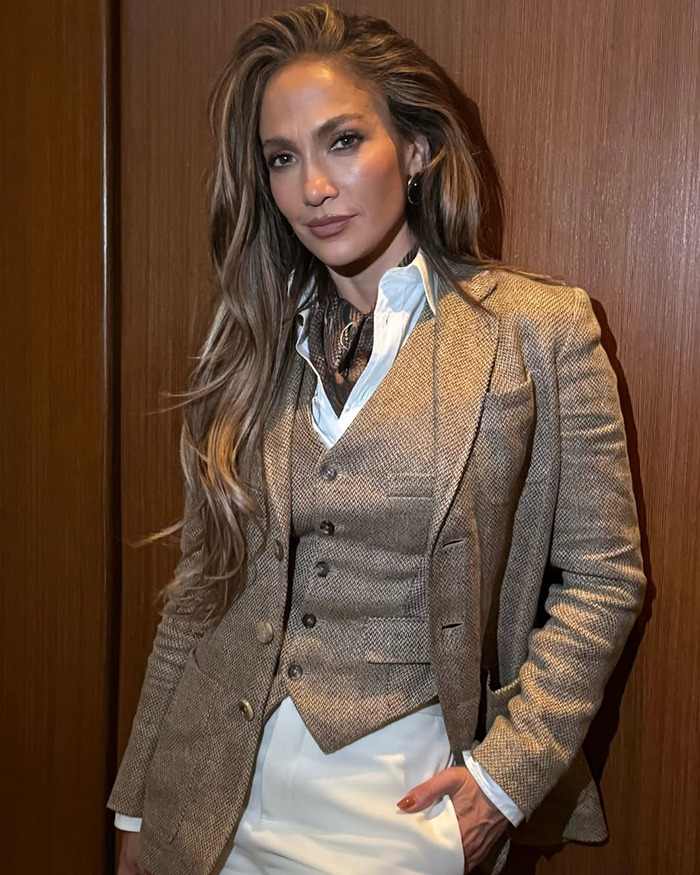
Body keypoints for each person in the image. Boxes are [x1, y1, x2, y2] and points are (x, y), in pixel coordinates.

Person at [108, 4, 646, 874]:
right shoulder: (251, 343)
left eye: (344, 142)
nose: (312, 187)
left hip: (403, 812)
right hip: (210, 802)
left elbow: (604, 578)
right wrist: (137, 802)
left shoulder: (538, 330)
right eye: (282, 158)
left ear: (419, 148)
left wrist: (504, 784)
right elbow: (203, 591)